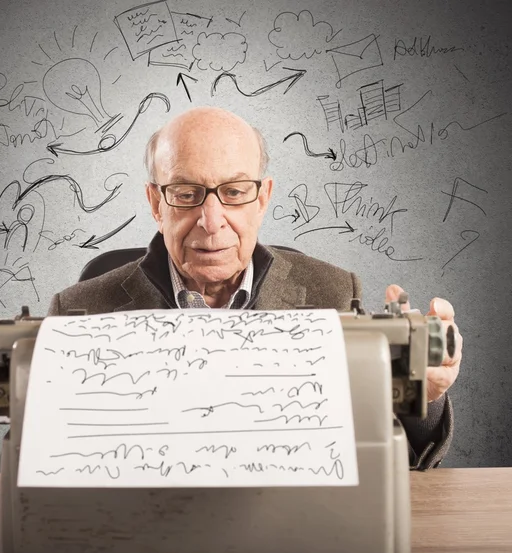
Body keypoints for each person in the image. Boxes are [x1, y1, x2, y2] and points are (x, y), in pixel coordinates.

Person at [47, 106, 462, 470]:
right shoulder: (78, 310)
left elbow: (403, 462)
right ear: (157, 203)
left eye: (234, 192)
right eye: (187, 193)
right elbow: (48, 463)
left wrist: (421, 396)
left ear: (262, 198)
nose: (212, 220)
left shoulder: (332, 294)